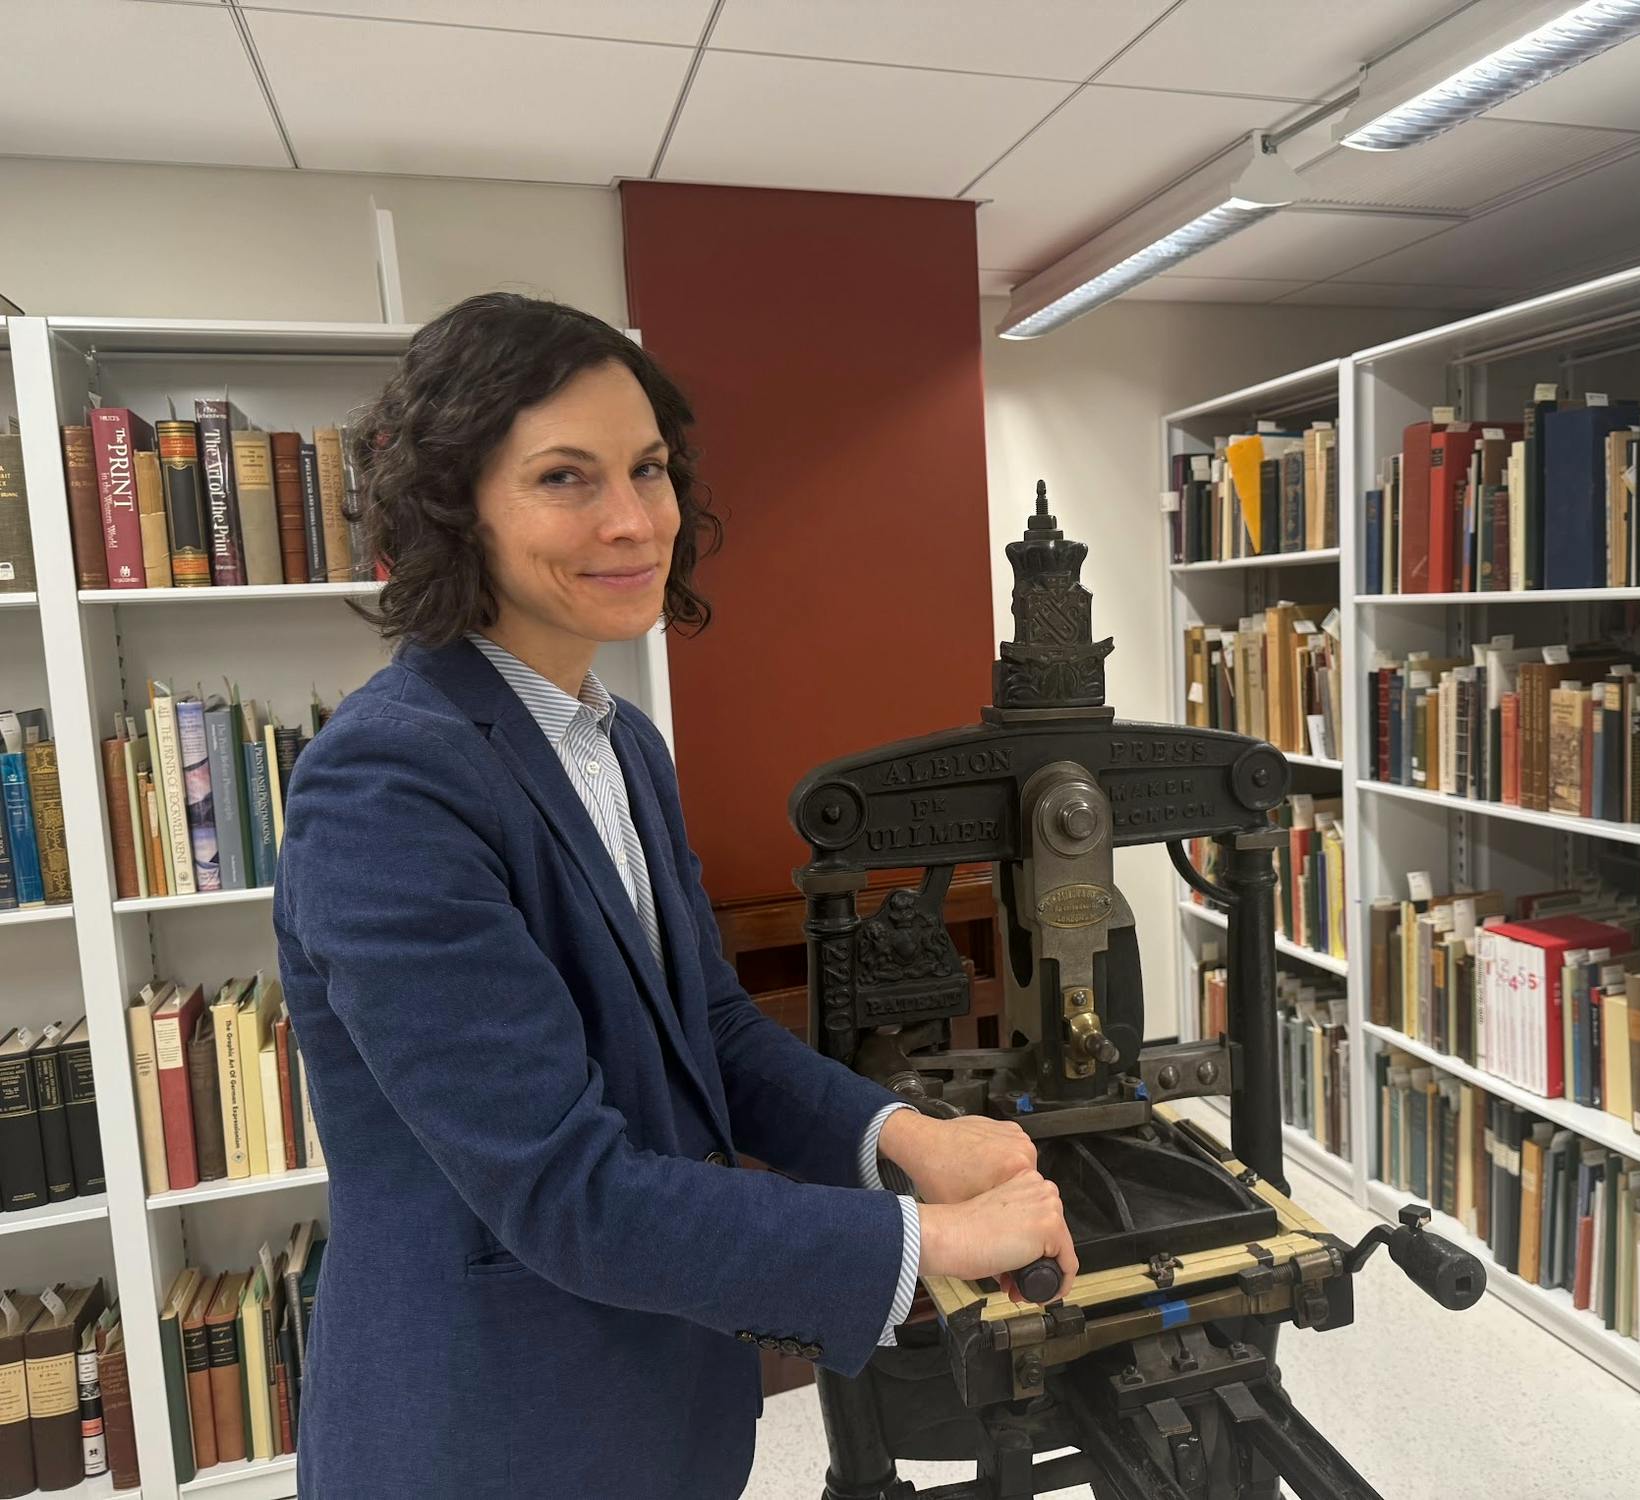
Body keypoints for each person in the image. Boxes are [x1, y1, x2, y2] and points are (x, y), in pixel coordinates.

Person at [271, 292, 1078, 1499]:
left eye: (646, 469)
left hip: (663, 1393)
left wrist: (906, 1141)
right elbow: (563, 1190)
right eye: (563, 477)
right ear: (455, 507)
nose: (632, 519)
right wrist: (930, 1243)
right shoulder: (388, 781)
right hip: (492, 1432)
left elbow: (707, 1028)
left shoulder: (619, 742)